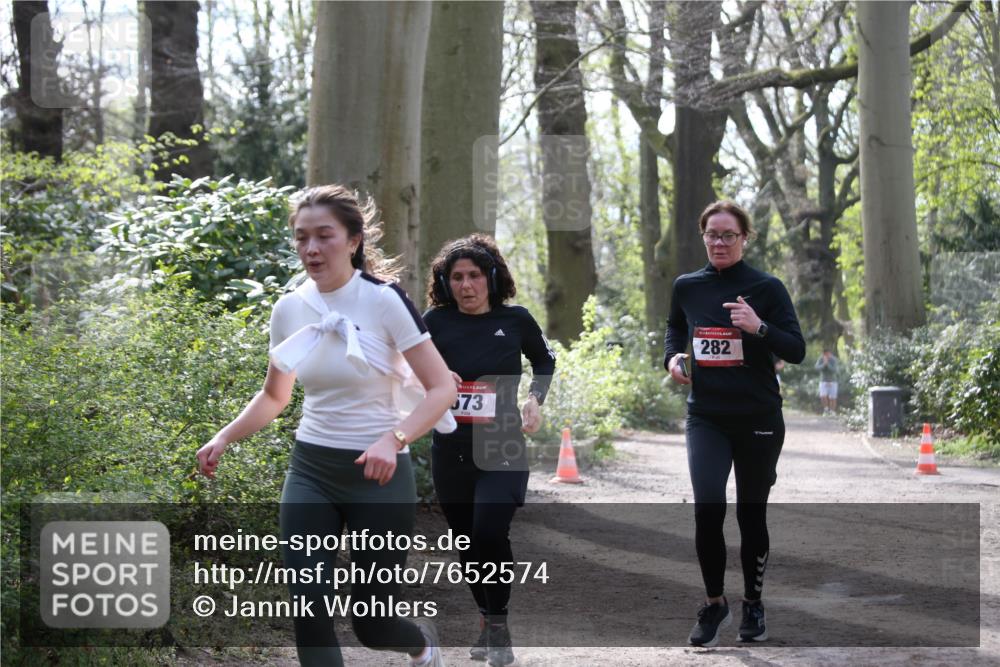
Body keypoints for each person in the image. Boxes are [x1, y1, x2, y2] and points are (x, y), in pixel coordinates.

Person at [196, 184, 457, 667]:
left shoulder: (384, 301)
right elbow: (276, 394)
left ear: (354, 240)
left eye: (324, 236)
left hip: (379, 475)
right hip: (311, 470)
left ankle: (421, 645)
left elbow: (443, 388)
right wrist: (223, 436)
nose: (311, 249)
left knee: (372, 623)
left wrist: (393, 438)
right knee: (308, 606)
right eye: (301, 238)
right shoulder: (290, 307)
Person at [664, 201, 805, 647]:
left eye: (729, 235)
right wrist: (672, 357)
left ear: (745, 238)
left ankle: (753, 603)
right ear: (702, 237)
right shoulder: (687, 286)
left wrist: (758, 327)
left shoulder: (767, 287)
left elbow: (797, 349)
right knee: (707, 508)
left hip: (758, 417)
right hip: (705, 416)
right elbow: (673, 328)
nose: (719, 242)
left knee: (751, 513)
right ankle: (714, 603)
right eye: (712, 234)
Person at [423, 234, 556, 667]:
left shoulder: (515, 319)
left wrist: (534, 398)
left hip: (501, 443)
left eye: (474, 276)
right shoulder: (435, 323)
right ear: (445, 283)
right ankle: (487, 617)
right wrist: (438, 379)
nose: (466, 285)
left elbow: (544, 361)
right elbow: (408, 371)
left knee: (488, 533)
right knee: (466, 542)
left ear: (491, 277)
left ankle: (497, 624)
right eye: (456, 277)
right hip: (451, 446)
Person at [815, 348, 839, 413]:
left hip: (832, 381)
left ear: (830, 353)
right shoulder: (821, 359)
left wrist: (827, 364)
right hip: (823, 381)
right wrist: (823, 364)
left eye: (827, 354)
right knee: (823, 396)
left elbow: (834, 370)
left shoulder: (833, 360)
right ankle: (826, 409)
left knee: (833, 398)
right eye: (824, 354)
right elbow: (817, 367)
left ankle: (832, 411)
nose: (826, 356)